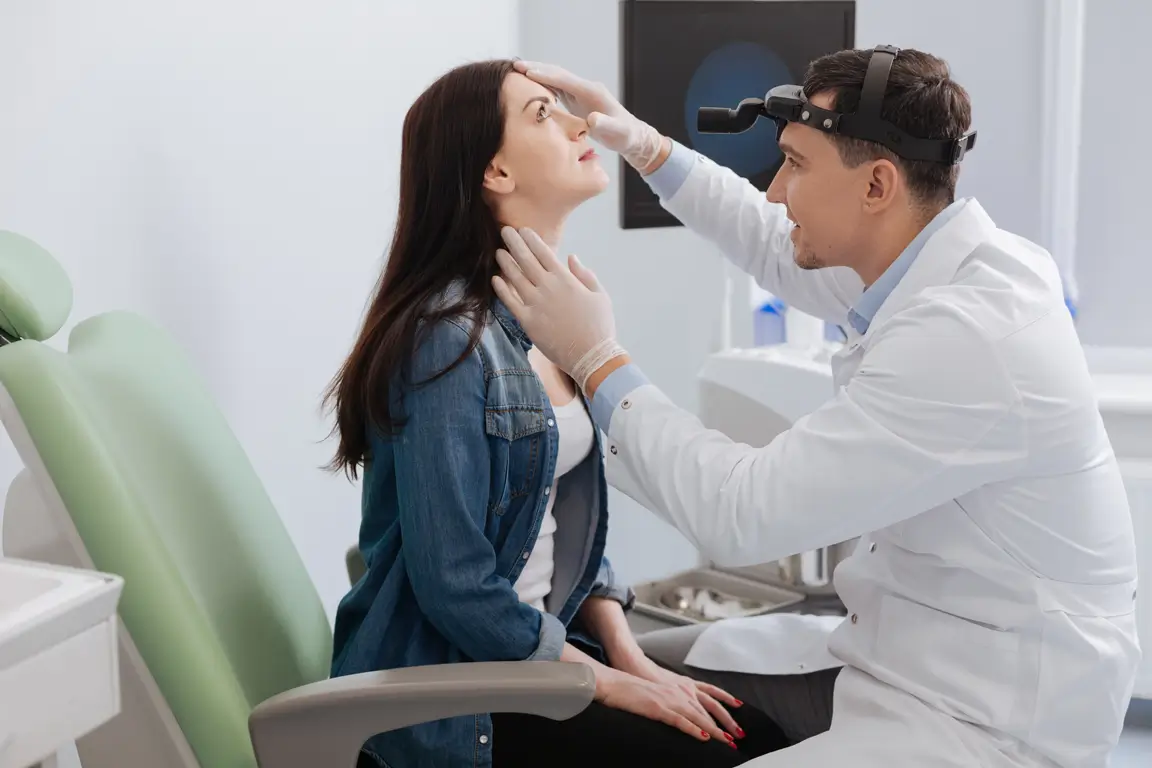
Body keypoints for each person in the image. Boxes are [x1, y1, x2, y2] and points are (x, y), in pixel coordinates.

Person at [491, 48, 1141, 768]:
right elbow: (772, 244)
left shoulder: (972, 333)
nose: (773, 192)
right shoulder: (928, 263)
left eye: (795, 164)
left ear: (877, 185)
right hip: (904, 653)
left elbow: (742, 513)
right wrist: (643, 144)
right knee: (640, 670)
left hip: (988, 714)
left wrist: (597, 360)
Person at [322, 59, 789, 768]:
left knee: (756, 735)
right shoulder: (445, 343)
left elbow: (570, 529)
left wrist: (632, 660)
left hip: (536, 661)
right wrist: (602, 682)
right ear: (495, 174)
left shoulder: (552, 317)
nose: (581, 123)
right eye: (543, 114)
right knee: (730, 754)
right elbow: (456, 586)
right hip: (464, 697)